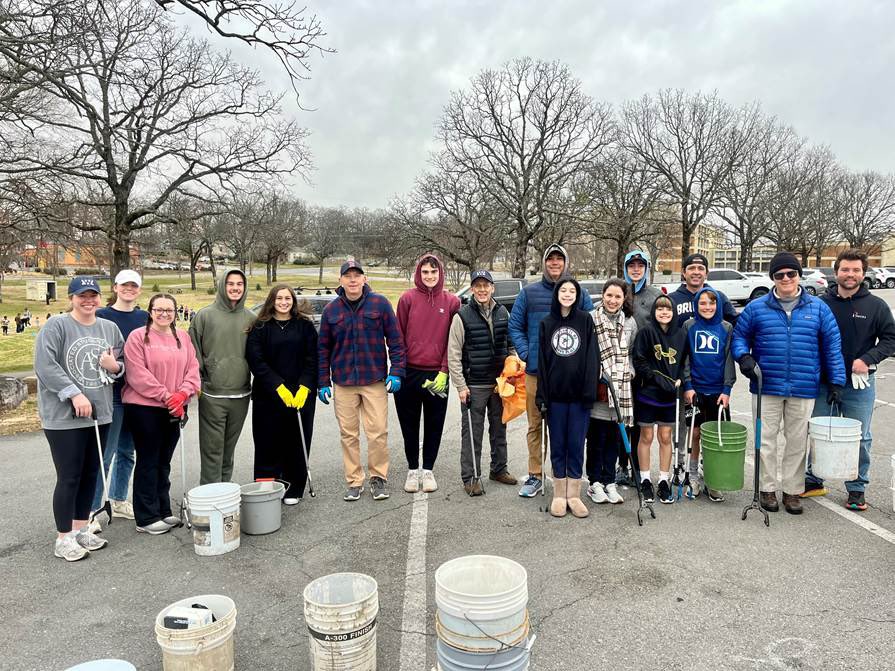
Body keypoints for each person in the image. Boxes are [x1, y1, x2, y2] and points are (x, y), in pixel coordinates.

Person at [732, 252, 845, 515]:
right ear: (773, 278)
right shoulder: (756, 307)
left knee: (797, 442)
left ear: (798, 276)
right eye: (779, 274)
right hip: (765, 385)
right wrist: (744, 357)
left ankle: (793, 491)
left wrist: (837, 381)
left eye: (791, 273)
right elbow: (739, 337)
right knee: (766, 439)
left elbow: (832, 347)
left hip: (804, 386)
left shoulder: (818, 308)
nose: (785, 278)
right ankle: (767, 488)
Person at [34, 276, 125, 561]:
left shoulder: (109, 328)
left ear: (100, 298)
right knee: (69, 476)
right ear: (71, 298)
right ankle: (63, 538)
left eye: (93, 295)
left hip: (100, 413)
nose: (88, 301)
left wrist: (116, 367)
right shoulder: (57, 326)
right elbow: (45, 366)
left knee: (91, 474)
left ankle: (80, 528)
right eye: (82, 296)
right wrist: (74, 394)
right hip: (64, 417)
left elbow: (118, 365)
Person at [802, 250, 895, 510]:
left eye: (855, 270)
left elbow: (890, 339)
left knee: (860, 437)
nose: (850, 274)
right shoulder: (820, 303)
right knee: (818, 432)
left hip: (858, 383)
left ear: (863, 273)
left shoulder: (875, 305)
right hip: (822, 382)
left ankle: (856, 488)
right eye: (845, 270)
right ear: (836, 272)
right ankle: (813, 479)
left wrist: (867, 358)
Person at [508, 243, 593, 498]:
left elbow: (590, 328)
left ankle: (568, 477)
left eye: (559, 259)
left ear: (566, 263)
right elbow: (515, 326)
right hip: (536, 373)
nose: (555, 263)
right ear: (544, 262)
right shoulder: (530, 293)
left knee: (567, 428)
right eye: (550, 259)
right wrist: (527, 353)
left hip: (569, 376)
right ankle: (535, 475)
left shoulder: (578, 293)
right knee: (535, 426)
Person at [317, 259, 405, 502]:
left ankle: (378, 478)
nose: (353, 279)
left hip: (374, 380)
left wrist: (396, 371)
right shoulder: (331, 311)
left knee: (377, 432)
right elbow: (323, 349)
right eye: (348, 276)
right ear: (341, 280)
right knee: (349, 434)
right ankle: (355, 481)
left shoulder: (380, 304)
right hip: (344, 382)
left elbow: (395, 341)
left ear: (365, 279)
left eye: (357, 275)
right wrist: (322, 381)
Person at [122, 293, 200, 534]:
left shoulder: (182, 337)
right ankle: (146, 517)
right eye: (159, 309)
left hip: (176, 406)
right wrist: (167, 396)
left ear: (176, 313)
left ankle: (163, 510)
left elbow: (193, 369)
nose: (164, 314)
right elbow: (137, 374)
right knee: (149, 459)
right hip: (145, 408)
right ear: (150, 311)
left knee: (164, 460)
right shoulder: (138, 337)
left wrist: (183, 394)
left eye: (169, 310)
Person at [447, 270, 517, 496]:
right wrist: (460, 385)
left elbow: (509, 345)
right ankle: (471, 477)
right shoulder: (462, 316)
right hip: (473, 385)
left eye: (486, 285)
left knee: (499, 429)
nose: (482, 289)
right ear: (472, 289)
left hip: (498, 384)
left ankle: (498, 469)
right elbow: (453, 353)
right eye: (477, 285)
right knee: (472, 434)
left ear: (493, 288)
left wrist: (513, 367)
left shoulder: (502, 312)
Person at [246, 284, 318, 504]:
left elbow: (313, 358)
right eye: (279, 298)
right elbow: (256, 360)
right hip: (268, 395)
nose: (284, 302)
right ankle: (267, 485)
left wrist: (305, 386)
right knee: (267, 440)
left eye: (288, 298)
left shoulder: (304, 326)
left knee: (296, 440)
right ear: (272, 301)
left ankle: (294, 486)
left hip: (300, 395)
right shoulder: (260, 327)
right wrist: (278, 386)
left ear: (293, 301)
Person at [88, 269, 148, 532]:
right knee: (106, 454)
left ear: (139, 289)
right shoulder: (102, 316)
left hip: (137, 394)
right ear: (115, 287)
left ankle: (120, 499)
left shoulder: (144, 317)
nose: (129, 289)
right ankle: (91, 509)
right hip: (110, 393)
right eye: (124, 285)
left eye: (134, 286)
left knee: (128, 452)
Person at [395, 253, 460, 494]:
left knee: (434, 424)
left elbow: (453, 342)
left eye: (434, 272)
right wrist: (398, 369)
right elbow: (397, 337)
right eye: (425, 272)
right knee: (408, 424)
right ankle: (413, 469)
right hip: (409, 373)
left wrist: (444, 371)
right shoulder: (407, 299)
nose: (429, 276)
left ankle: (429, 469)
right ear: (418, 274)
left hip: (436, 374)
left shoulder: (452, 301)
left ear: (440, 273)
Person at [536, 277, 599, 518]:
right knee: (559, 445)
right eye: (563, 290)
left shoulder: (585, 320)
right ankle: (559, 494)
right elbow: (541, 362)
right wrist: (542, 396)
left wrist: (589, 392)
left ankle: (574, 494)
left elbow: (592, 357)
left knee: (575, 445)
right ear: (557, 294)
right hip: (555, 398)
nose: (568, 294)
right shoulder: (546, 323)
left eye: (572, 291)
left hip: (579, 397)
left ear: (577, 295)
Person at [189, 269, 255, 484]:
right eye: (230, 283)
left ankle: (224, 495)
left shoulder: (252, 319)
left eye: (239, 284)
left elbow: (259, 356)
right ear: (222, 286)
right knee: (212, 451)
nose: (235, 288)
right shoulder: (204, 316)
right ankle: (209, 498)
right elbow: (193, 354)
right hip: (212, 395)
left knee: (228, 451)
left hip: (241, 394)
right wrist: (198, 385)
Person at [681, 287, 736, 502]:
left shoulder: (726, 327)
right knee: (695, 434)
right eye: (702, 303)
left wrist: (727, 389)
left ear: (718, 305)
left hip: (717, 392)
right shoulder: (689, 326)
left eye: (711, 303)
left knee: (715, 438)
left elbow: (729, 360)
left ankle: (713, 480)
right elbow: (685, 357)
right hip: (696, 390)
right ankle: (693, 476)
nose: (707, 307)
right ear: (696, 305)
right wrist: (688, 384)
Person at [632, 295, 688, 505]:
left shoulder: (681, 334)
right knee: (646, 436)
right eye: (660, 309)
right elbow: (639, 360)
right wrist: (656, 379)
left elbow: (683, 362)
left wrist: (680, 379)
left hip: (670, 396)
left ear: (673, 312)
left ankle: (663, 480)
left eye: (668, 309)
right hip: (649, 393)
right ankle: (645, 479)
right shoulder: (646, 333)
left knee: (666, 436)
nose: (664, 313)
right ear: (654, 312)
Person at [585, 279, 636, 506]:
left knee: (614, 439)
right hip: (599, 389)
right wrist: (598, 373)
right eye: (609, 295)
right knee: (596, 438)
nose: (613, 300)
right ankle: (594, 482)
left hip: (621, 390)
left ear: (624, 299)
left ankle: (609, 481)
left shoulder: (630, 323)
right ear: (602, 295)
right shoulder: (591, 319)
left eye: (618, 297)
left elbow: (631, 353)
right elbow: (586, 352)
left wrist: (629, 371)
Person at [669, 253, 738, 327]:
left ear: (706, 273)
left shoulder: (719, 297)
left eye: (701, 268)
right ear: (684, 272)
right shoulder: (671, 299)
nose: (696, 272)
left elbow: (736, 324)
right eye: (691, 268)